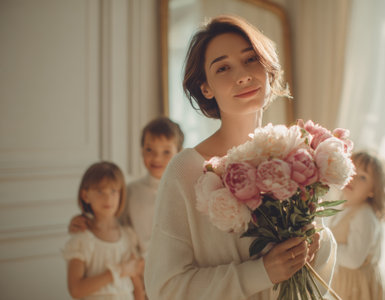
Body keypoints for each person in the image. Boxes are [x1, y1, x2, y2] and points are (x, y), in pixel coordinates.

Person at [144, 15, 337, 300]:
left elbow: (319, 257)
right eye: (223, 67)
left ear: (268, 69)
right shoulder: (186, 170)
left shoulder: (298, 157)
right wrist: (262, 272)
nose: (243, 75)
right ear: (205, 88)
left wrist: (315, 245)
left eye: (251, 60)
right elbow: (165, 288)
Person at [69, 116, 184, 253]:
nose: (156, 158)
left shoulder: (185, 190)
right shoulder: (131, 191)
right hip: (141, 270)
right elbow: (113, 224)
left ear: (179, 153)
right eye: (149, 150)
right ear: (141, 150)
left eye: (166, 152)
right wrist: (85, 221)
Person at [62, 161, 145, 300]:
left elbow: (137, 286)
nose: (107, 198)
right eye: (100, 191)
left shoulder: (128, 237)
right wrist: (119, 270)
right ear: (85, 196)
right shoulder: (82, 240)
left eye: (113, 191)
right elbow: (76, 290)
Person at [328, 150, 385, 299]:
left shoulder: (364, 216)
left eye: (363, 177)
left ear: (373, 190)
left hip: (358, 287)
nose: (353, 178)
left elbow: (353, 260)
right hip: (343, 281)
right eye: (351, 170)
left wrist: (325, 247)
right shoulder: (343, 208)